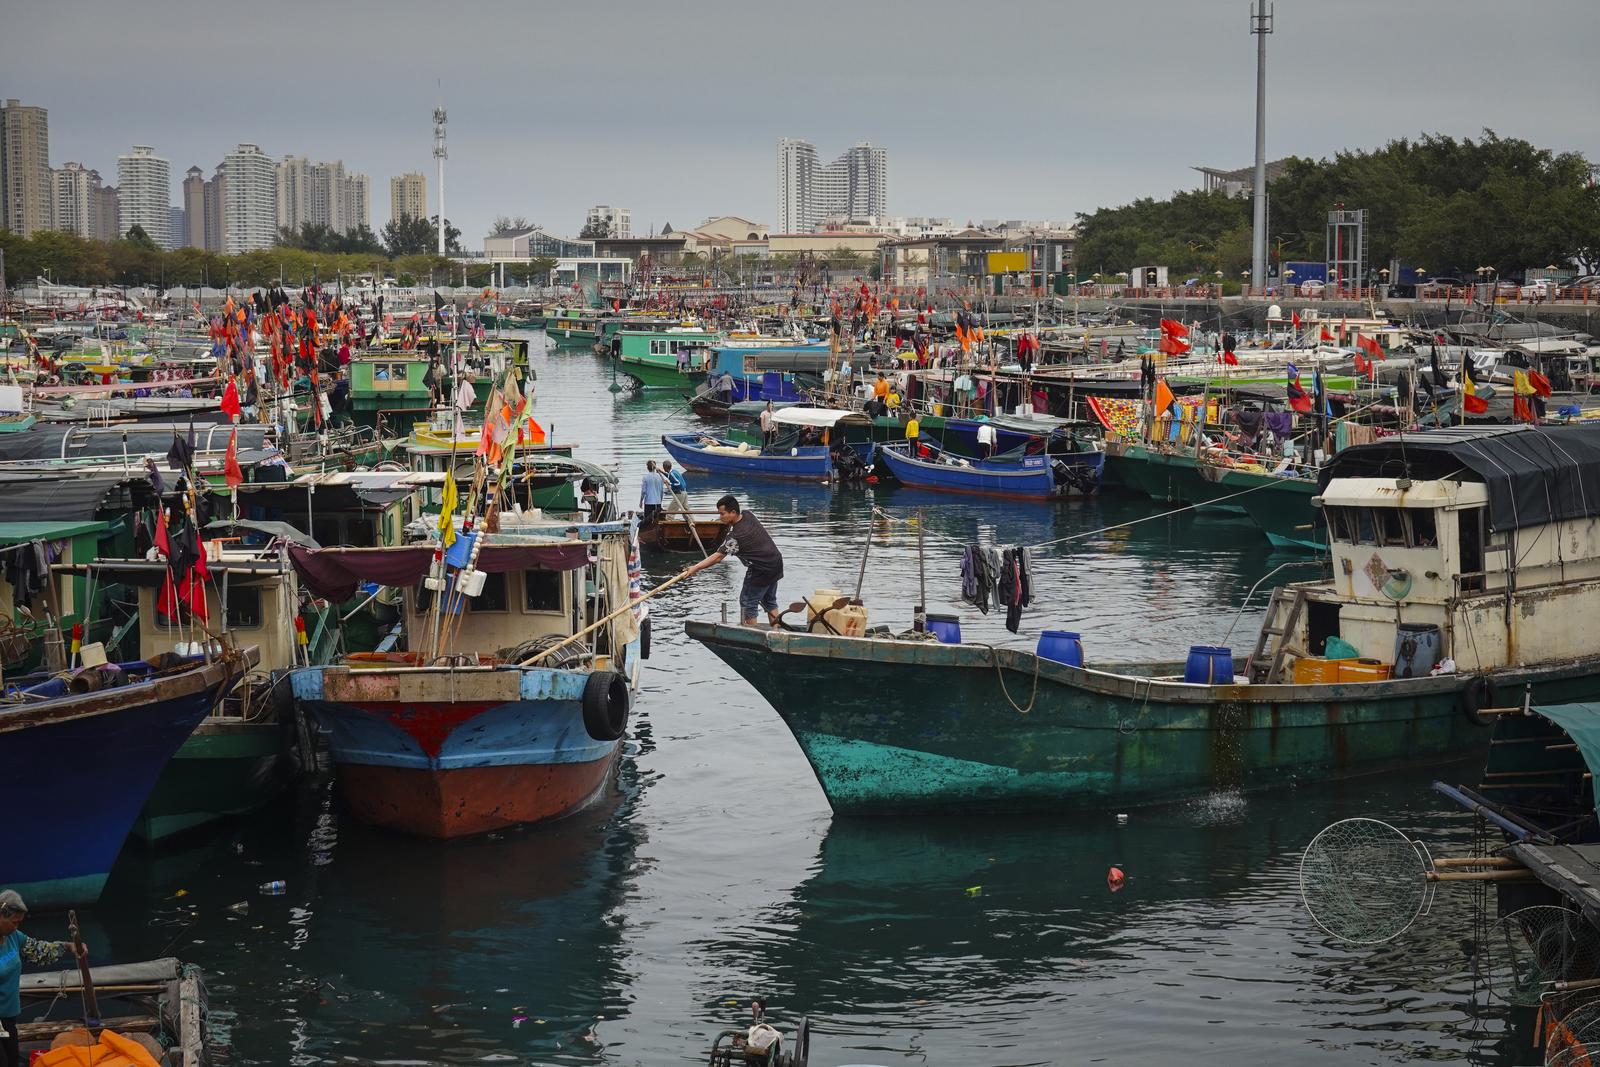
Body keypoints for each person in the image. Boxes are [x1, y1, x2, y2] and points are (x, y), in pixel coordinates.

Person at [1, 890, 87, 1067]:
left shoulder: (13, 937)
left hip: (8, 1018)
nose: (16, 927)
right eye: (14, 922)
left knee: (12, 1059)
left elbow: (40, 951)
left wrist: (68, 946)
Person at [683, 495, 785, 627]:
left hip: (761, 569)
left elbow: (718, 557)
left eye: (722, 514)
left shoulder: (736, 537)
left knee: (748, 604)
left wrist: (695, 568)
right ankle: (776, 631)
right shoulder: (748, 515)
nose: (721, 517)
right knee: (769, 600)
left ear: (733, 512)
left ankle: (753, 633)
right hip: (775, 562)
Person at [640, 460, 666, 526]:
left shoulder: (645, 477)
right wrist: (660, 500)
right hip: (658, 502)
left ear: (647, 468)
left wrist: (641, 502)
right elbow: (661, 491)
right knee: (657, 521)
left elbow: (643, 491)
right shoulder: (660, 477)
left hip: (649, 502)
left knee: (647, 522)